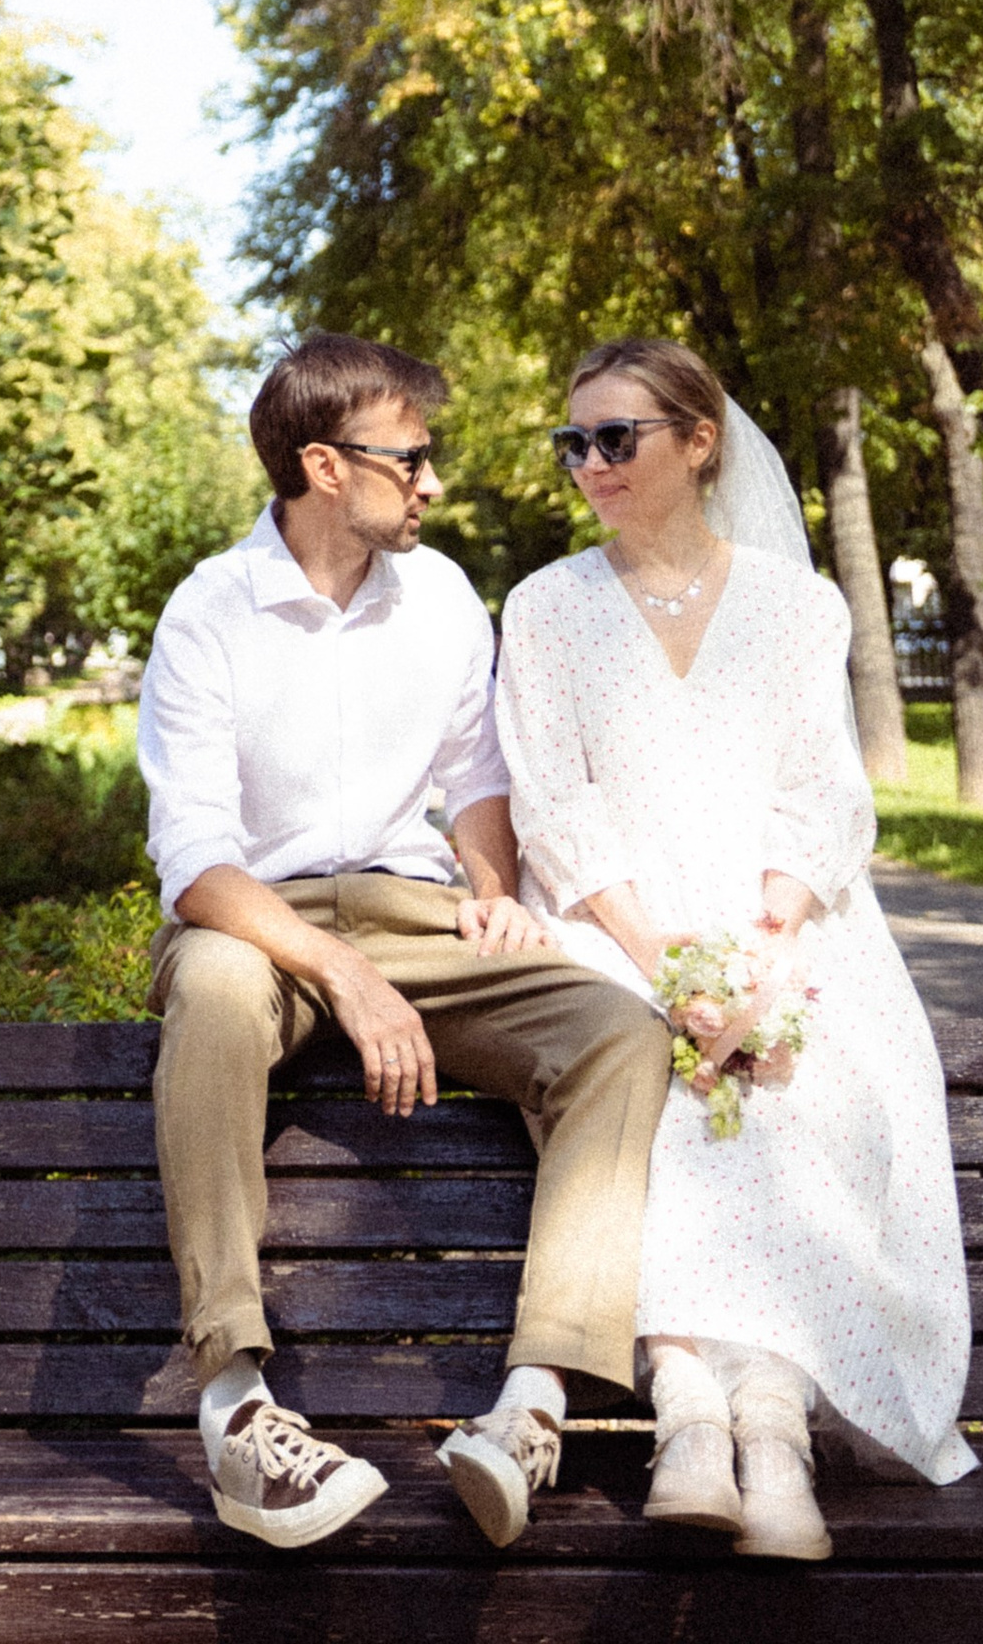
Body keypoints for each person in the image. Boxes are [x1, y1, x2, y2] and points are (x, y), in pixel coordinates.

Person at [138, 332, 672, 1556]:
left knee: (616, 1029)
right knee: (215, 993)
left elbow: (473, 775)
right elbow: (196, 866)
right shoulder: (210, 612)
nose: (432, 481)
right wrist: (343, 975)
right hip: (256, 923)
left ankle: (531, 1407)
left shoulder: (435, 594)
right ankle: (235, 1406)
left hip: (410, 910)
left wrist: (490, 886)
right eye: (411, 458)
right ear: (324, 466)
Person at [495, 337, 976, 1565]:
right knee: (645, 1079)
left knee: (811, 1089)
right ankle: (693, 1419)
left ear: (697, 442)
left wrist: (766, 947)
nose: (589, 464)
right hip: (613, 925)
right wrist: (669, 965)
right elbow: (554, 807)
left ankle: (778, 1426)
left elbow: (823, 792)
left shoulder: (796, 606)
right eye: (575, 442)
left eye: (616, 438)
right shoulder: (546, 606)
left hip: (783, 917)